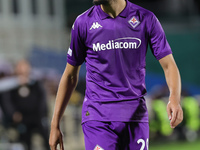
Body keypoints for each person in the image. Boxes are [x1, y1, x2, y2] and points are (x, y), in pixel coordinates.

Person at [49, 0, 183, 149]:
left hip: (135, 116)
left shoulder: (146, 18)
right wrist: (55, 124)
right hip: (98, 117)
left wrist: (174, 99)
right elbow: (70, 76)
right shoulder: (83, 23)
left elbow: (169, 65)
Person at [0, 59, 50, 150]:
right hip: (21, 118)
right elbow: (6, 101)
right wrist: (13, 114)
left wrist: (42, 113)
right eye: (20, 67)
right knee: (25, 141)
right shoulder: (10, 84)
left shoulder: (35, 82)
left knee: (46, 138)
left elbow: (42, 98)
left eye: (24, 66)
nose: (22, 69)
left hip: (37, 116)